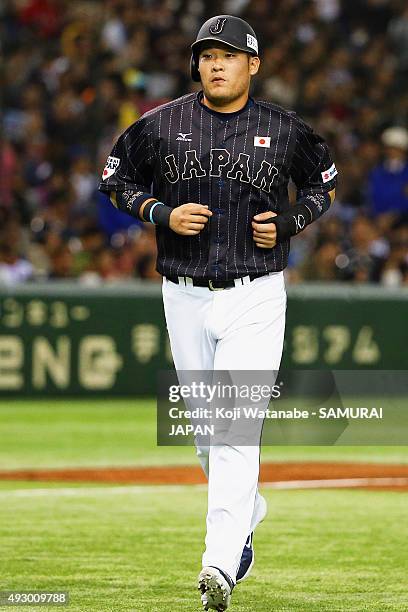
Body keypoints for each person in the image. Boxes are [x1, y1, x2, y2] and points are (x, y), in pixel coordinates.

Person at [98, 15, 337, 611]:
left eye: (228, 54)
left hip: (256, 294)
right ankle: (247, 513)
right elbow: (113, 176)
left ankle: (219, 563)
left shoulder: (283, 128)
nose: (216, 63)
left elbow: (324, 183)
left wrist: (292, 221)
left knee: (232, 429)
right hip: (182, 291)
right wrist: (158, 212)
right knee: (206, 434)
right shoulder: (163, 123)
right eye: (207, 54)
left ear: (252, 65)